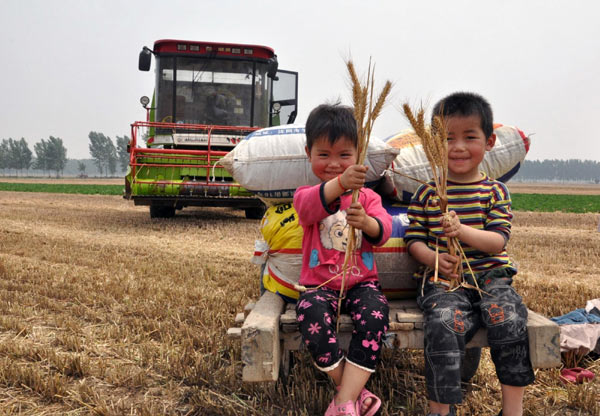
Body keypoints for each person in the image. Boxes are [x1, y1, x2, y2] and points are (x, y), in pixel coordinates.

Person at [404, 92, 535, 416]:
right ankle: (440, 409)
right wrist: (434, 259)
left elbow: (497, 241)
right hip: (444, 282)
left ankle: (512, 409)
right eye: (447, 138)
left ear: (489, 141)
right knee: (444, 322)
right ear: (433, 144)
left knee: (510, 319)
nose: (458, 146)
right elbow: (414, 240)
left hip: (491, 277)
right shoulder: (427, 193)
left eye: (469, 137)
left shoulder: (494, 191)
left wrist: (461, 232)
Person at [293, 103, 393, 416]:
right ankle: (353, 394)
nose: (334, 164)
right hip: (320, 285)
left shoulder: (369, 198)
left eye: (344, 155)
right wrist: (342, 183)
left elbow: (384, 230)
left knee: (376, 314)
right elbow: (309, 209)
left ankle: (341, 404)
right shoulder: (306, 194)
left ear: (359, 154)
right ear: (308, 153)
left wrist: (368, 223)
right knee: (309, 313)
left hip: (362, 284)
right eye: (324, 155)